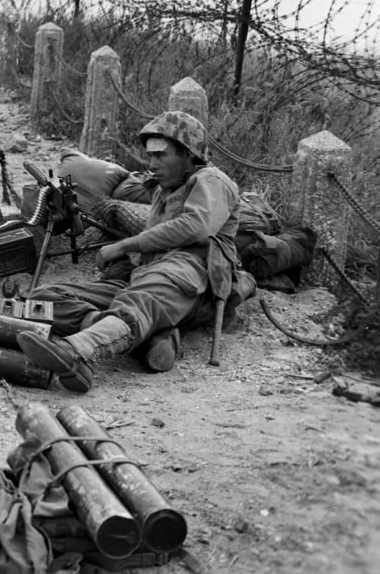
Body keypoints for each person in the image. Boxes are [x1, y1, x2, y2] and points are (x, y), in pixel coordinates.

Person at [16, 111, 241, 392]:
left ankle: (78, 350)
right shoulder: (162, 192)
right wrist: (124, 262)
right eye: (150, 156)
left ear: (189, 154)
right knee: (43, 298)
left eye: (162, 155)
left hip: (191, 277)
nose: (152, 164)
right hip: (145, 277)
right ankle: (136, 333)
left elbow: (197, 227)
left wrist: (126, 244)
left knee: (140, 300)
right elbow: (151, 247)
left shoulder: (212, 180)